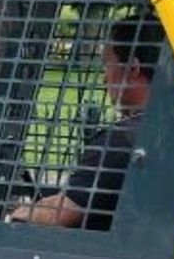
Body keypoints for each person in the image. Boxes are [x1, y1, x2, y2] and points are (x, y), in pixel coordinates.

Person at [10, 16, 159, 230]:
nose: (104, 78)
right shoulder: (172, 128)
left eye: (107, 64)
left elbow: (63, 214)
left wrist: (22, 212)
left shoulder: (120, 141)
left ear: (133, 69)